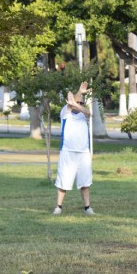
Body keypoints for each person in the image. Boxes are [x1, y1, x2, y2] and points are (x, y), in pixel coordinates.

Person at [53, 81, 94, 215]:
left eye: (81, 103)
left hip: (83, 153)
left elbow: (88, 112)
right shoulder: (65, 113)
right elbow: (71, 104)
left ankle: (87, 208)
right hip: (67, 152)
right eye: (77, 102)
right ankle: (58, 207)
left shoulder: (84, 116)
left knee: (85, 182)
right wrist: (79, 94)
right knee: (63, 181)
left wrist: (76, 101)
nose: (79, 105)